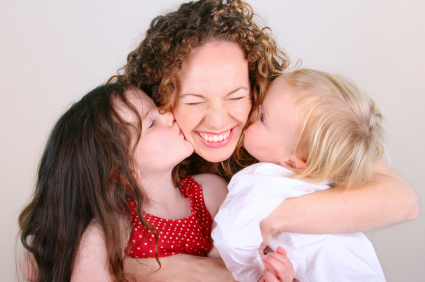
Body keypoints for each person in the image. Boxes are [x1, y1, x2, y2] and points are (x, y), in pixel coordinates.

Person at [111, 1, 418, 280]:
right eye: (192, 101)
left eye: (237, 96)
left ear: (257, 87)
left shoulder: (289, 120)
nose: (217, 120)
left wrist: (270, 218)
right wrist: (141, 266)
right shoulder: (137, 153)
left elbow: (403, 201)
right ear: (161, 97)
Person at [19, 84, 294, 282]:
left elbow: (232, 270)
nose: (169, 115)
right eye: (151, 123)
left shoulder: (209, 192)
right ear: (124, 172)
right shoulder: (112, 228)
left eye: (157, 109)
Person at [212, 69, 389, 282]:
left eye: (262, 117)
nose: (249, 112)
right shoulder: (329, 179)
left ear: (293, 162)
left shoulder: (259, 180)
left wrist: (253, 273)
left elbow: (230, 240)